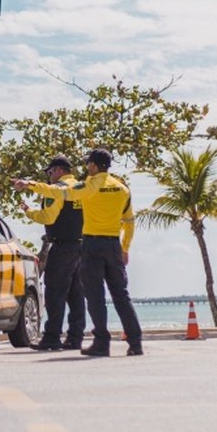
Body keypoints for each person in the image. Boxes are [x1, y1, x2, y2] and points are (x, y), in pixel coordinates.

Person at [13, 148, 143, 357]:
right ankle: (135, 343)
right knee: (121, 295)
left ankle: (101, 342)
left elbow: (59, 193)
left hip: (91, 245)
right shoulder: (122, 189)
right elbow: (129, 221)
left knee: (94, 296)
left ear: (93, 165)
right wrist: (125, 247)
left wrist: (29, 185)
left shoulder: (89, 186)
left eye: (88, 164)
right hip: (113, 245)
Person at [20, 154, 86, 351]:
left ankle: (52, 337)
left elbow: (48, 218)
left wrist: (29, 212)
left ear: (58, 171)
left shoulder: (55, 190)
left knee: (55, 292)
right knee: (76, 295)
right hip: (83, 246)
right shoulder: (82, 187)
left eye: (49, 172)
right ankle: (75, 337)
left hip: (62, 246)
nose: (49, 177)